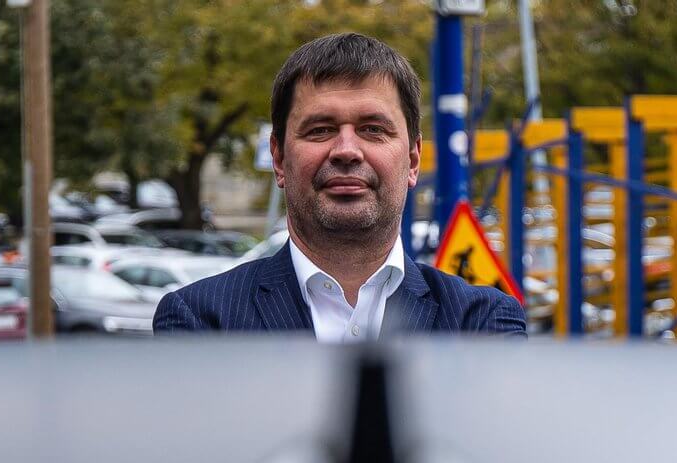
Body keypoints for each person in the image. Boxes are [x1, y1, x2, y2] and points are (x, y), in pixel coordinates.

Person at [153, 32, 526, 339]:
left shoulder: (481, 322)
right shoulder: (202, 320)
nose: (347, 150)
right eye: (320, 130)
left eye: (373, 129)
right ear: (279, 159)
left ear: (412, 161)